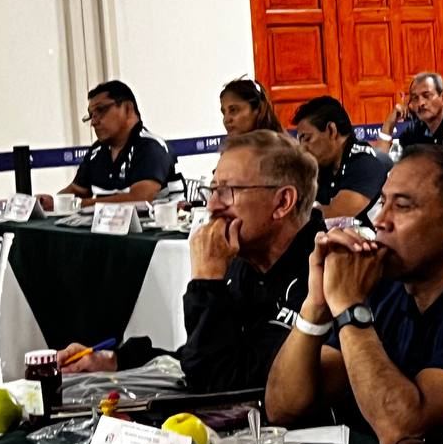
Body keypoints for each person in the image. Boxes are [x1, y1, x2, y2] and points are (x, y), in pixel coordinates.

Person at [265, 145, 443, 444]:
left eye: (401, 206)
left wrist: (350, 309)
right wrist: (316, 307)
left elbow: (402, 432)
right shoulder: (379, 281)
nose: (380, 221)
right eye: (382, 202)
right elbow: (283, 408)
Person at [56, 130, 322, 392]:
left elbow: (218, 381)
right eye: (212, 190)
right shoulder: (246, 262)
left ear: (283, 202)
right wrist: (116, 360)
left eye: (227, 191)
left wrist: (207, 282)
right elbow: (199, 355)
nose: (212, 206)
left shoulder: (321, 274)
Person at [46, 80, 183, 209]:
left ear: (128, 108)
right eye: (91, 115)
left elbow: (140, 199)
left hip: (157, 226)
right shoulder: (96, 151)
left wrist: (80, 204)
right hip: (108, 225)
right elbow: (77, 190)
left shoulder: (151, 147)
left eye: (101, 110)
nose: (93, 122)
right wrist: (53, 202)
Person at [293, 96, 390, 222]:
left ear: (331, 130)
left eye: (307, 138)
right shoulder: (323, 167)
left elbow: (336, 216)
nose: (302, 148)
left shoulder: (365, 164)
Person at [375, 72, 443, 154]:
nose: (421, 103)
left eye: (427, 95)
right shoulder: (415, 129)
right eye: (415, 98)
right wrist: (388, 125)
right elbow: (381, 163)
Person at [220, 78, 284, 137]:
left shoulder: (278, 144)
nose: (226, 120)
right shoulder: (231, 145)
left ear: (258, 108)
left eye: (233, 110)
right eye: (224, 113)